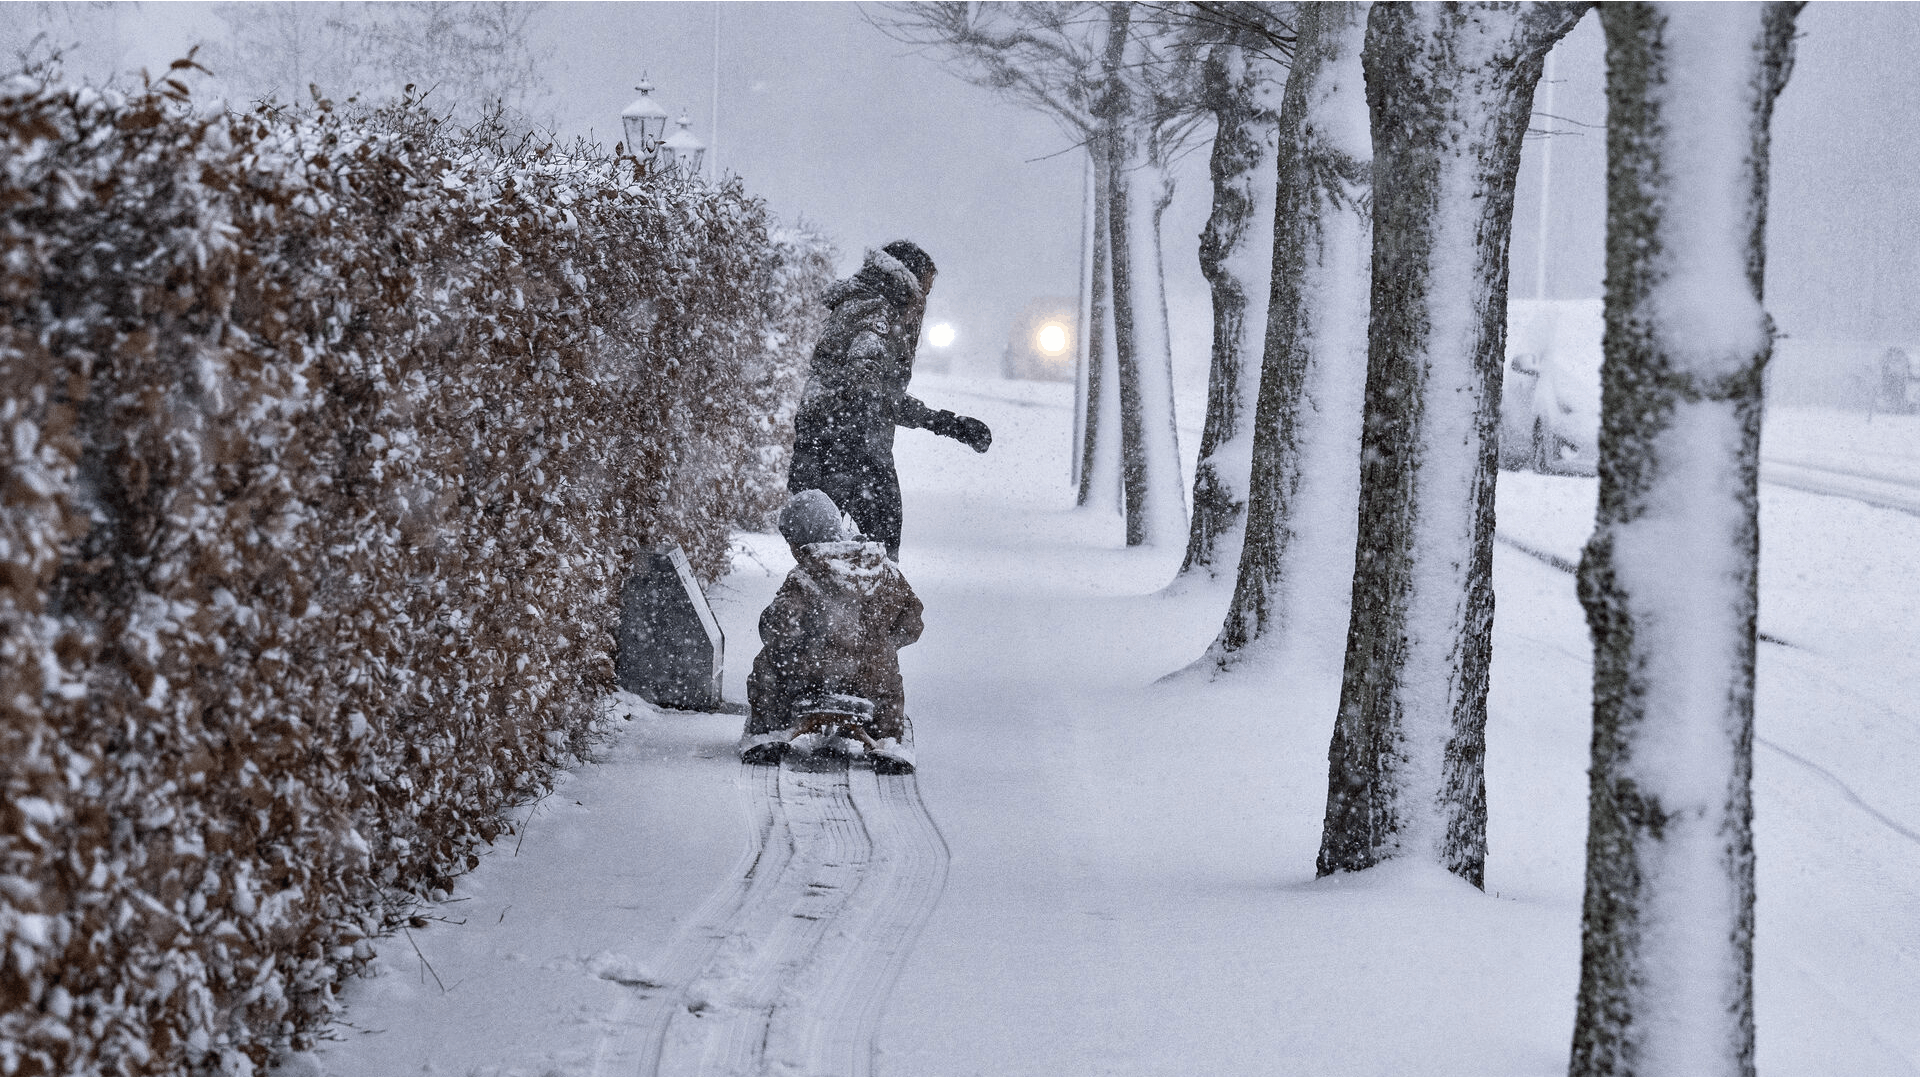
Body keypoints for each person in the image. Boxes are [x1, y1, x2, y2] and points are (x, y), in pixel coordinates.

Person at [788, 240, 992, 561]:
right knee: (876, 559)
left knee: (826, 559)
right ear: (906, 282)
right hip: (850, 456)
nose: (924, 302)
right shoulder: (877, 315)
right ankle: (865, 606)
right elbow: (866, 386)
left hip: (825, 450)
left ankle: (842, 604)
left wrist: (944, 422)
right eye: (924, 291)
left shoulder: (860, 304)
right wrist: (939, 423)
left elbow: (877, 393)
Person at [740, 490, 925, 771]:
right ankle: (887, 736)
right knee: (887, 674)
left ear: (802, 540)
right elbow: (913, 622)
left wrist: (794, 636)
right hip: (869, 682)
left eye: (791, 541)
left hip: (807, 677)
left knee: (768, 664)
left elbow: (778, 630)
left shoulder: (804, 577)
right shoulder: (884, 571)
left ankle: (768, 730)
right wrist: (881, 642)